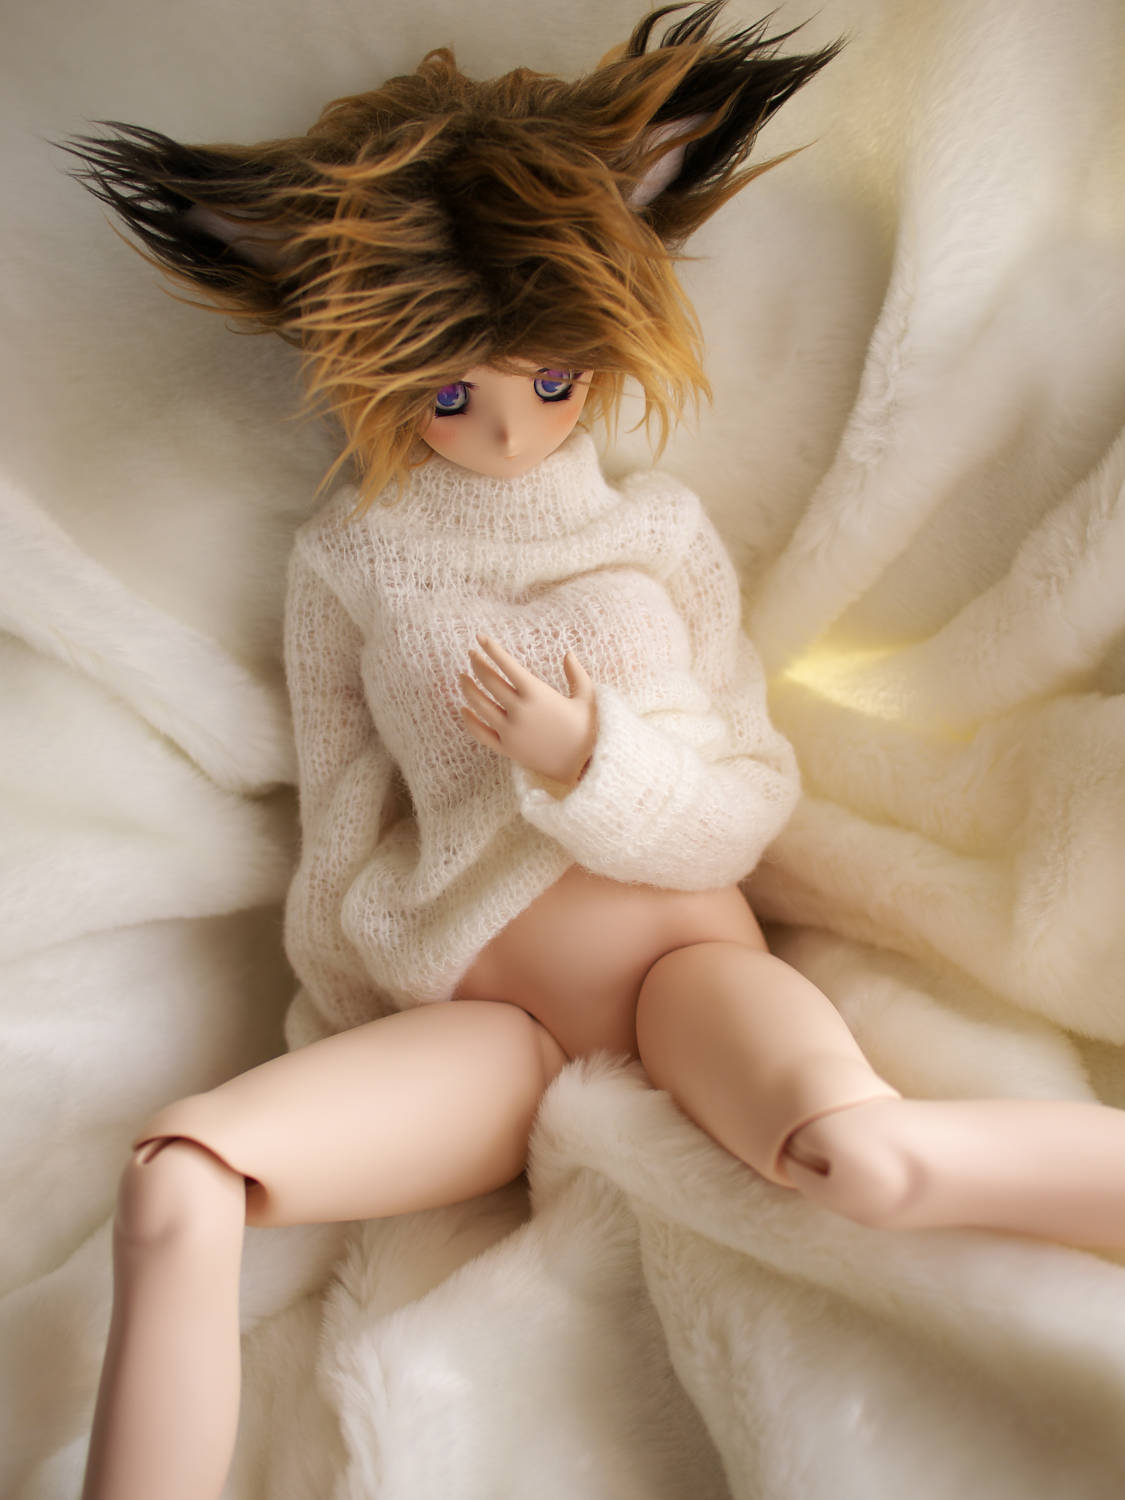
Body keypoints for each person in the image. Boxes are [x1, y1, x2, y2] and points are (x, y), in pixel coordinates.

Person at [68, 6, 1125, 1497]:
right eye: (452, 396)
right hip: (481, 1023)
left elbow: (748, 801)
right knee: (181, 1174)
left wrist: (589, 761)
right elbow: (343, 831)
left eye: (550, 381)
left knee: (867, 1159)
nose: (510, 430)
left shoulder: (657, 537)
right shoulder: (353, 564)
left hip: (686, 969)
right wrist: (353, 1027)